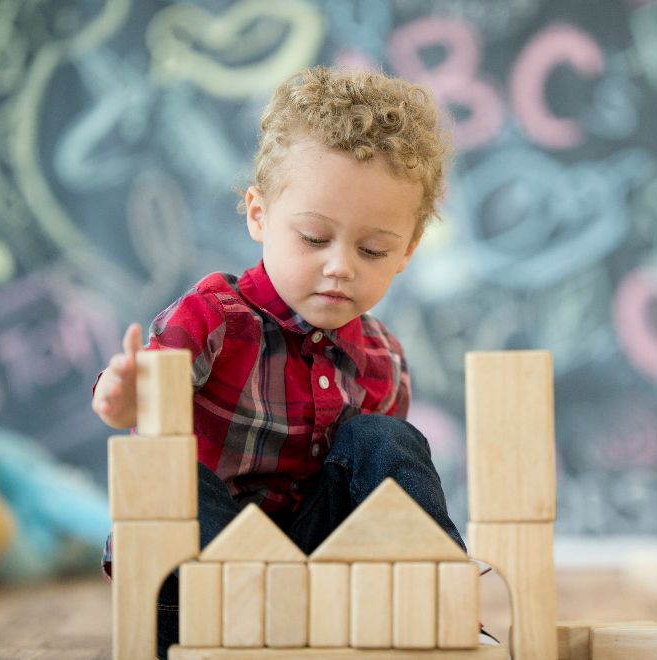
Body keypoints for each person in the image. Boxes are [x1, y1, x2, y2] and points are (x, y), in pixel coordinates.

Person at [91, 66, 464, 657]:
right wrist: (125, 397)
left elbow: (372, 488)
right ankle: (264, 624)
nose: (340, 265)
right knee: (166, 478)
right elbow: (139, 405)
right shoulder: (214, 317)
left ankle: (433, 602)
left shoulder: (382, 360)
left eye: (372, 250)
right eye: (314, 238)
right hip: (201, 574)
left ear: (407, 252)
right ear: (259, 216)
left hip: (314, 575)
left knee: (385, 439)